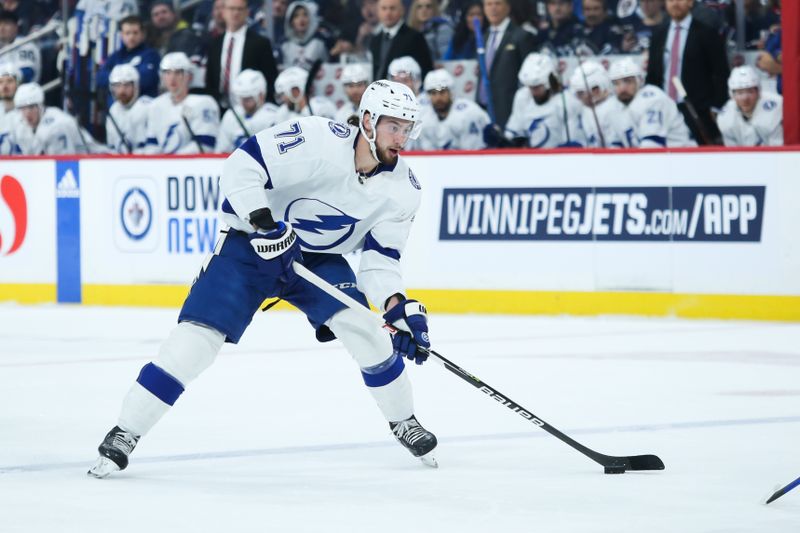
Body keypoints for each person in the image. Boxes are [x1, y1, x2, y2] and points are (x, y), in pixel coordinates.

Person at [87, 79, 439, 478]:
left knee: (366, 330)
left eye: (408, 128)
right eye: (395, 126)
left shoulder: (404, 190)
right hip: (252, 247)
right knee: (195, 343)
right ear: (370, 121)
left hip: (319, 261)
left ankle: (404, 421)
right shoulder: (318, 139)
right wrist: (265, 224)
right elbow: (242, 165)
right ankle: (125, 432)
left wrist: (397, 306)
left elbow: (380, 259)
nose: (402, 138)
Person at [645, 0, 729, 145]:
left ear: (691, 3)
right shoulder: (658, 34)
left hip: (697, 111)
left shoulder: (707, 33)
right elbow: (652, 74)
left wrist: (716, 106)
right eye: (671, 0)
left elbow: (721, 73)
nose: (675, 3)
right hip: (663, 109)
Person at [206, 0, 279, 108]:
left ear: (247, 12)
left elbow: (270, 80)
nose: (235, 13)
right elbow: (210, 81)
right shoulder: (214, 44)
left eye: (240, 9)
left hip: (252, 111)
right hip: (220, 109)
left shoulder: (260, 43)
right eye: (231, 9)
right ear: (224, 12)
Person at [609, 56, 695, 148]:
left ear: (640, 80)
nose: (622, 88)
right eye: (616, 83)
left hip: (680, 156)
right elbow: (616, 147)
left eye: (628, 81)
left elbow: (652, 145)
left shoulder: (652, 99)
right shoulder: (616, 106)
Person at [144, 52, 220, 154]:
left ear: (189, 76)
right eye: (167, 72)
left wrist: (172, 161)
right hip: (163, 167)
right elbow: (152, 145)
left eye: (178, 72)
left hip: (193, 168)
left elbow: (206, 146)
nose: (172, 78)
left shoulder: (205, 103)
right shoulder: (155, 105)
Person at [477, 0, 537, 130]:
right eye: (489, 4)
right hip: (483, 106)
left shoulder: (521, 36)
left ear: (508, 7)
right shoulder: (483, 36)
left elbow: (529, 75)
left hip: (509, 108)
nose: (493, 8)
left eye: (497, 3)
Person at [504, 53, 582, 148]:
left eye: (537, 87)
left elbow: (574, 139)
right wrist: (503, 141)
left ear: (549, 82)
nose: (533, 92)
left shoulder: (567, 101)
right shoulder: (523, 97)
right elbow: (514, 131)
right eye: (530, 87)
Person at [11, 83, 106, 155]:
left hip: (98, 161)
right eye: (22, 108)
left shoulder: (57, 124)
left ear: (40, 106)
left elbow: (63, 162)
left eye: (31, 107)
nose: (27, 113)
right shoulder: (20, 125)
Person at [418, 68, 490, 150]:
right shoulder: (424, 116)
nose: (438, 98)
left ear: (451, 92)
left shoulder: (468, 113)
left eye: (442, 92)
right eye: (433, 93)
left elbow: (472, 155)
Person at [97, 15, 162, 101]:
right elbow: (100, 78)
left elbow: (147, 79)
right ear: (121, 35)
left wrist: (116, 79)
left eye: (135, 33)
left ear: (142, 34)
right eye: (127, 33)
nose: (131, 37)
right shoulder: (115, 56)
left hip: (143, 107)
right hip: (116, 108)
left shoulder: (151, 55)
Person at [716, 65, 782, 147]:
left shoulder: (776, 106)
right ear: (732, 95)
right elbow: (732, 154)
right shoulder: (726, 116)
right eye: (740, 93)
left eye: (750, 91)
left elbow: (778, 151)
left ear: (758, 92)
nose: (745, 98)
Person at [568, 60, 629, 147]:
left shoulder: (614, 108)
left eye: (581, 93)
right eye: (579, 93)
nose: (582, 97)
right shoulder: (585, 110)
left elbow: (616, 147)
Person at [216, 69, 279, 152]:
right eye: (241, 98)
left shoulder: (274, 116)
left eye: (248, 98)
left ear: (261, 95)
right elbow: (221, 150)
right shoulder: (231, 115)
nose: (243, 103)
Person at [370, 0, 433, 81]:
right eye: (384, 8)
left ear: (402, 10)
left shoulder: (415, 37)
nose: (388, 13)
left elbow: (426, 69)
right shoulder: (375, 40)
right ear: (378, 12)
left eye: (392, 8)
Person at [106, 64, 153, 154]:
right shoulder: (113, 111)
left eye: (126, 85)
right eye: (117, 85)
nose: (122, 90)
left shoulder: (148, 107)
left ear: (135, 86)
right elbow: (112, 147)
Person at [280, 0, 331, 70]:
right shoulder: (284, 45)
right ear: (290, 21)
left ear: (311, 18)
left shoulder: (320, 43)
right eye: (296, 16)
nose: (301, 19)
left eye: (305, 15)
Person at [0, 10, 40, 83]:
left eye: (6, 24)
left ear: (16, 27)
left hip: (24, 91)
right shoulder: (2, 45)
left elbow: (28, 74)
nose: (1, 28)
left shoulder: (26, 44)